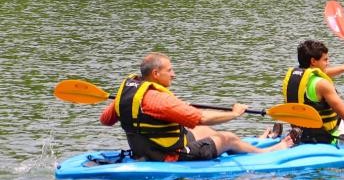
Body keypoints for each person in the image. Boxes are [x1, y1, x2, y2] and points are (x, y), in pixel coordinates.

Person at [100, 52, 293, 161]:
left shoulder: (126, 94)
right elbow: (199, 117)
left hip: (145, 150)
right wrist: (234, 114)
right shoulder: (159, 100)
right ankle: (267, 152)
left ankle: (251, 143)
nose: (174, 74)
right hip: (171, 156)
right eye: (170, 70)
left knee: (203, 131)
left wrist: (175, 110)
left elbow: (105, 120)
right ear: (156, 74)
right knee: (227, 137)